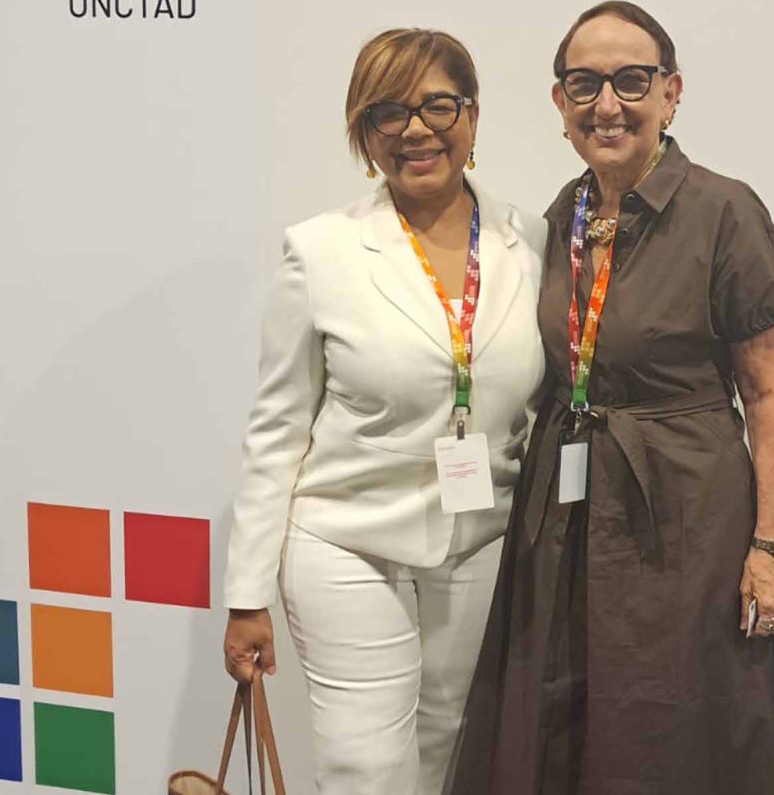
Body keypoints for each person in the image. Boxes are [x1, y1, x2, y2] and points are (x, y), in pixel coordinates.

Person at [449, 3, 774, 792]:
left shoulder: (725, 212)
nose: (607, 104)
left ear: (670, 93)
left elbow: (767, 395)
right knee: (566, 713)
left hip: (686, 519)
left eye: (631, 81)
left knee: (673, 720)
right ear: (560, 103)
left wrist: (769, 548)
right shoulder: (564, 213)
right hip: (565, 515)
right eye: (585, 84)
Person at [221, 28, 545, 795]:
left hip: (480, 538)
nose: (416, 129)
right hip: (346, 541)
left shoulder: (529, 241)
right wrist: (245, 593)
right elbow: (277, 430)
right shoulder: (321, 252)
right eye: (388, 112)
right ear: (365, 135)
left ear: (472, 115)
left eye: (438, 105)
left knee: (446, 752)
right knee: (365, 769)